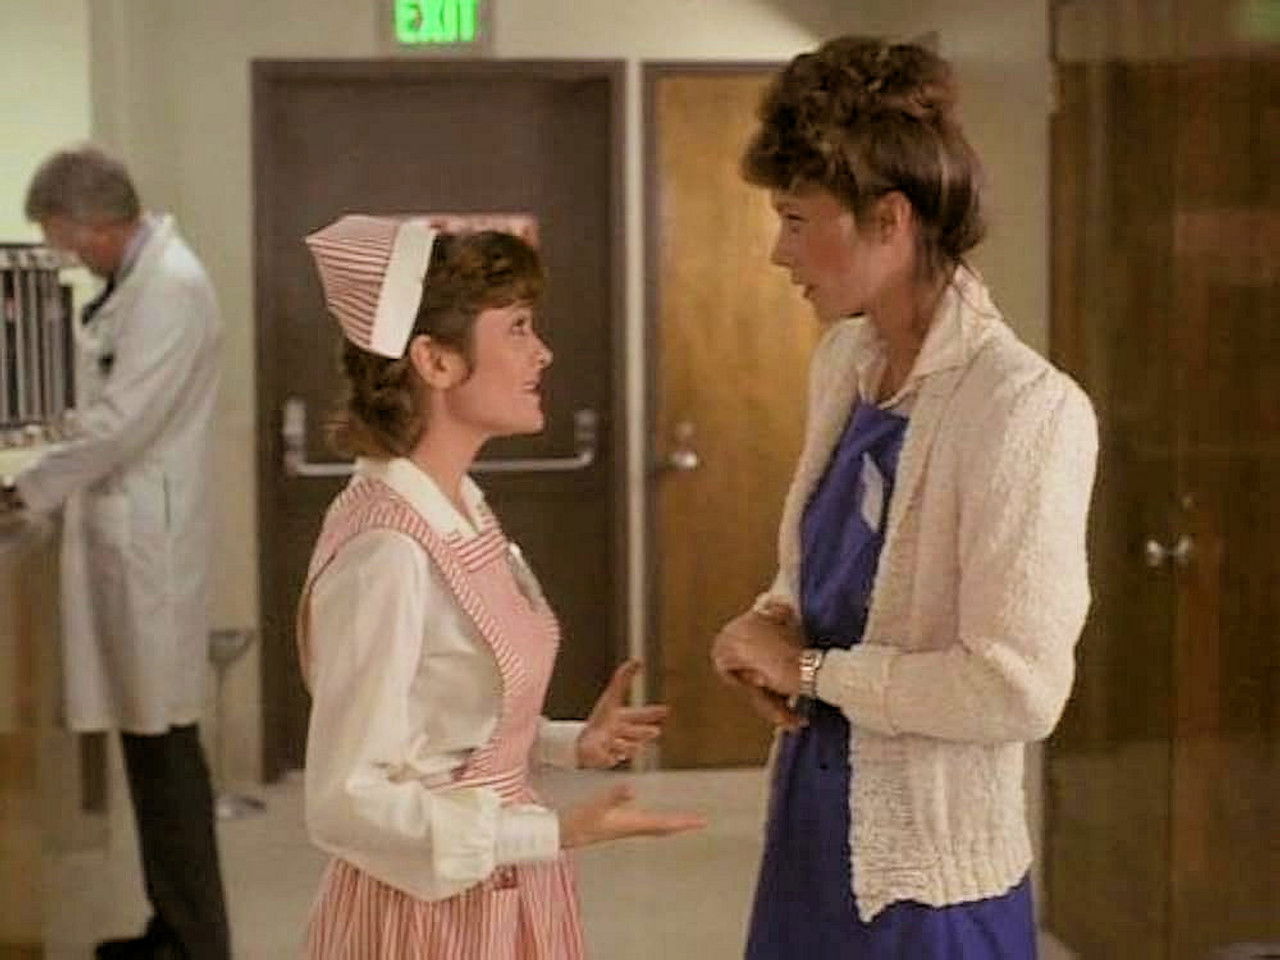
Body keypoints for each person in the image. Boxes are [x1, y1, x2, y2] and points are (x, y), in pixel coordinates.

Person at [709, 37, 1099, 959]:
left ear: (889, 218)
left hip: (931, 883)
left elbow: (1016, 690)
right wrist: (771, 624)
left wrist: (811, 672)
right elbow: (832, 571)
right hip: (812, 827)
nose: (778, 252)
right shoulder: (845, 361)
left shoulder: (1024, 408)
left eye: (796, 221)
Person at [298, 215, 705, 959]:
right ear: (435, 360)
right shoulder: (387, 551)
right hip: (427, 922)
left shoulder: (460, 505)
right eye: (517, 327)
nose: (542, 352)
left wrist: (565, 743)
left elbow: (440, 727)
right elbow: (344, 799)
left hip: (504, 891)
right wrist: (549, 830)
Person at [1, 146, 229, 958]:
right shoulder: (143, 282)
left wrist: (23, 490)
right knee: (149, 744)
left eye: (62, 240)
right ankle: (172, 927)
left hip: (148, 546)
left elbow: (119, 424)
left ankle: (197, 942)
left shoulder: (171, 287)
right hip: (133, 531)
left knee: (165, 748)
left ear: (92, 225)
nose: (67, 256)